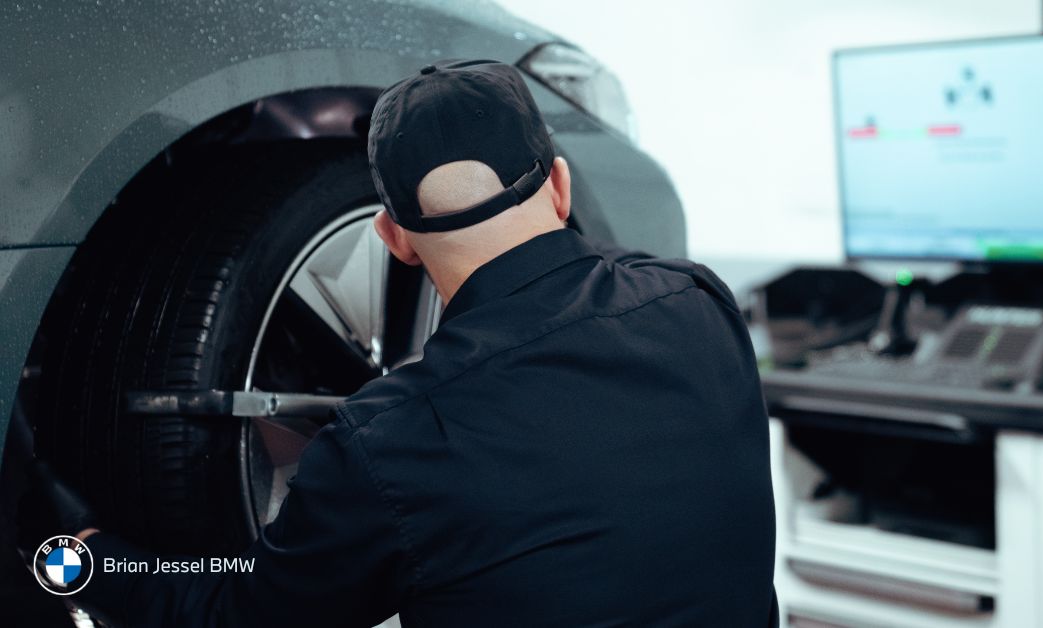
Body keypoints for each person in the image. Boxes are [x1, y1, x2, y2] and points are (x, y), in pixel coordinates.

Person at [20, 59, 778, 627]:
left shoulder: (391, 440)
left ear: (393, 239)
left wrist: (67, 556)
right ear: (558, 184)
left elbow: (234, 610)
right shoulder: (702, 302)